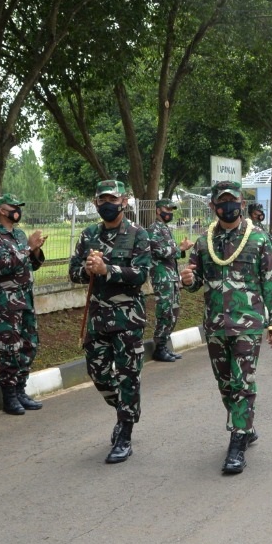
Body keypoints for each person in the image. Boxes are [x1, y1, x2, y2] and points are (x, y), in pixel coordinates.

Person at [181, 180, 272, 475]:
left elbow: (271, 282)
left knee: (242, 383)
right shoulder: (203, 242)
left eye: (233, 201)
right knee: (225, 384)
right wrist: (188, 281)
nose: (227, 206)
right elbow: (195, 281)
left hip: (248, 325)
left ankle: (237, 443)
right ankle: (246, 425)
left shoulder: (258, 239)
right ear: (213, 207)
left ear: (241, 204)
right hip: (215, 325)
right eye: (221, 202)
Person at [70, 180, 152, 464]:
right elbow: (73, 273)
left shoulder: (138, 235)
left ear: (124, 201)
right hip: (97, 320)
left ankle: (125, 433)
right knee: (99, 373)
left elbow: (140, 274)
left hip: (128, 319)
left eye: (112, 199)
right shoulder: (88, 235)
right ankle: (125, 410)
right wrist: (87, 268)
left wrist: (108, 269)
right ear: (95, 203)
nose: (107, 204)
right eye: (102, 199)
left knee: (128, 375)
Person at [0, 193, 47, 415]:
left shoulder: (19, 235)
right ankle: (9, 395)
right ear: (2, 210)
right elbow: (3, 265)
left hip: (26, 299)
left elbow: (32, 264)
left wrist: (35, 250)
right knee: (9, 348)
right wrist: (28, 248)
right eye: (14, 206)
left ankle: (20, 389)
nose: (18, 210)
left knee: (29, 344)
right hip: (7, 302)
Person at [148, 197, 193, 362]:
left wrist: (181, 249)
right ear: (158, 210)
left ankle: (164, 345)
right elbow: (159, 251)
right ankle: (159, 348)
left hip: (172, 276)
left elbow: (170, 253)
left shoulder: (165, 229)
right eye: (167, 210)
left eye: (171, 210)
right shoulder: (153, 229)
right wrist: (179, 248)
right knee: (164, 311)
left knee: (174, 312)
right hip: (161, 276)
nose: (170, 213)